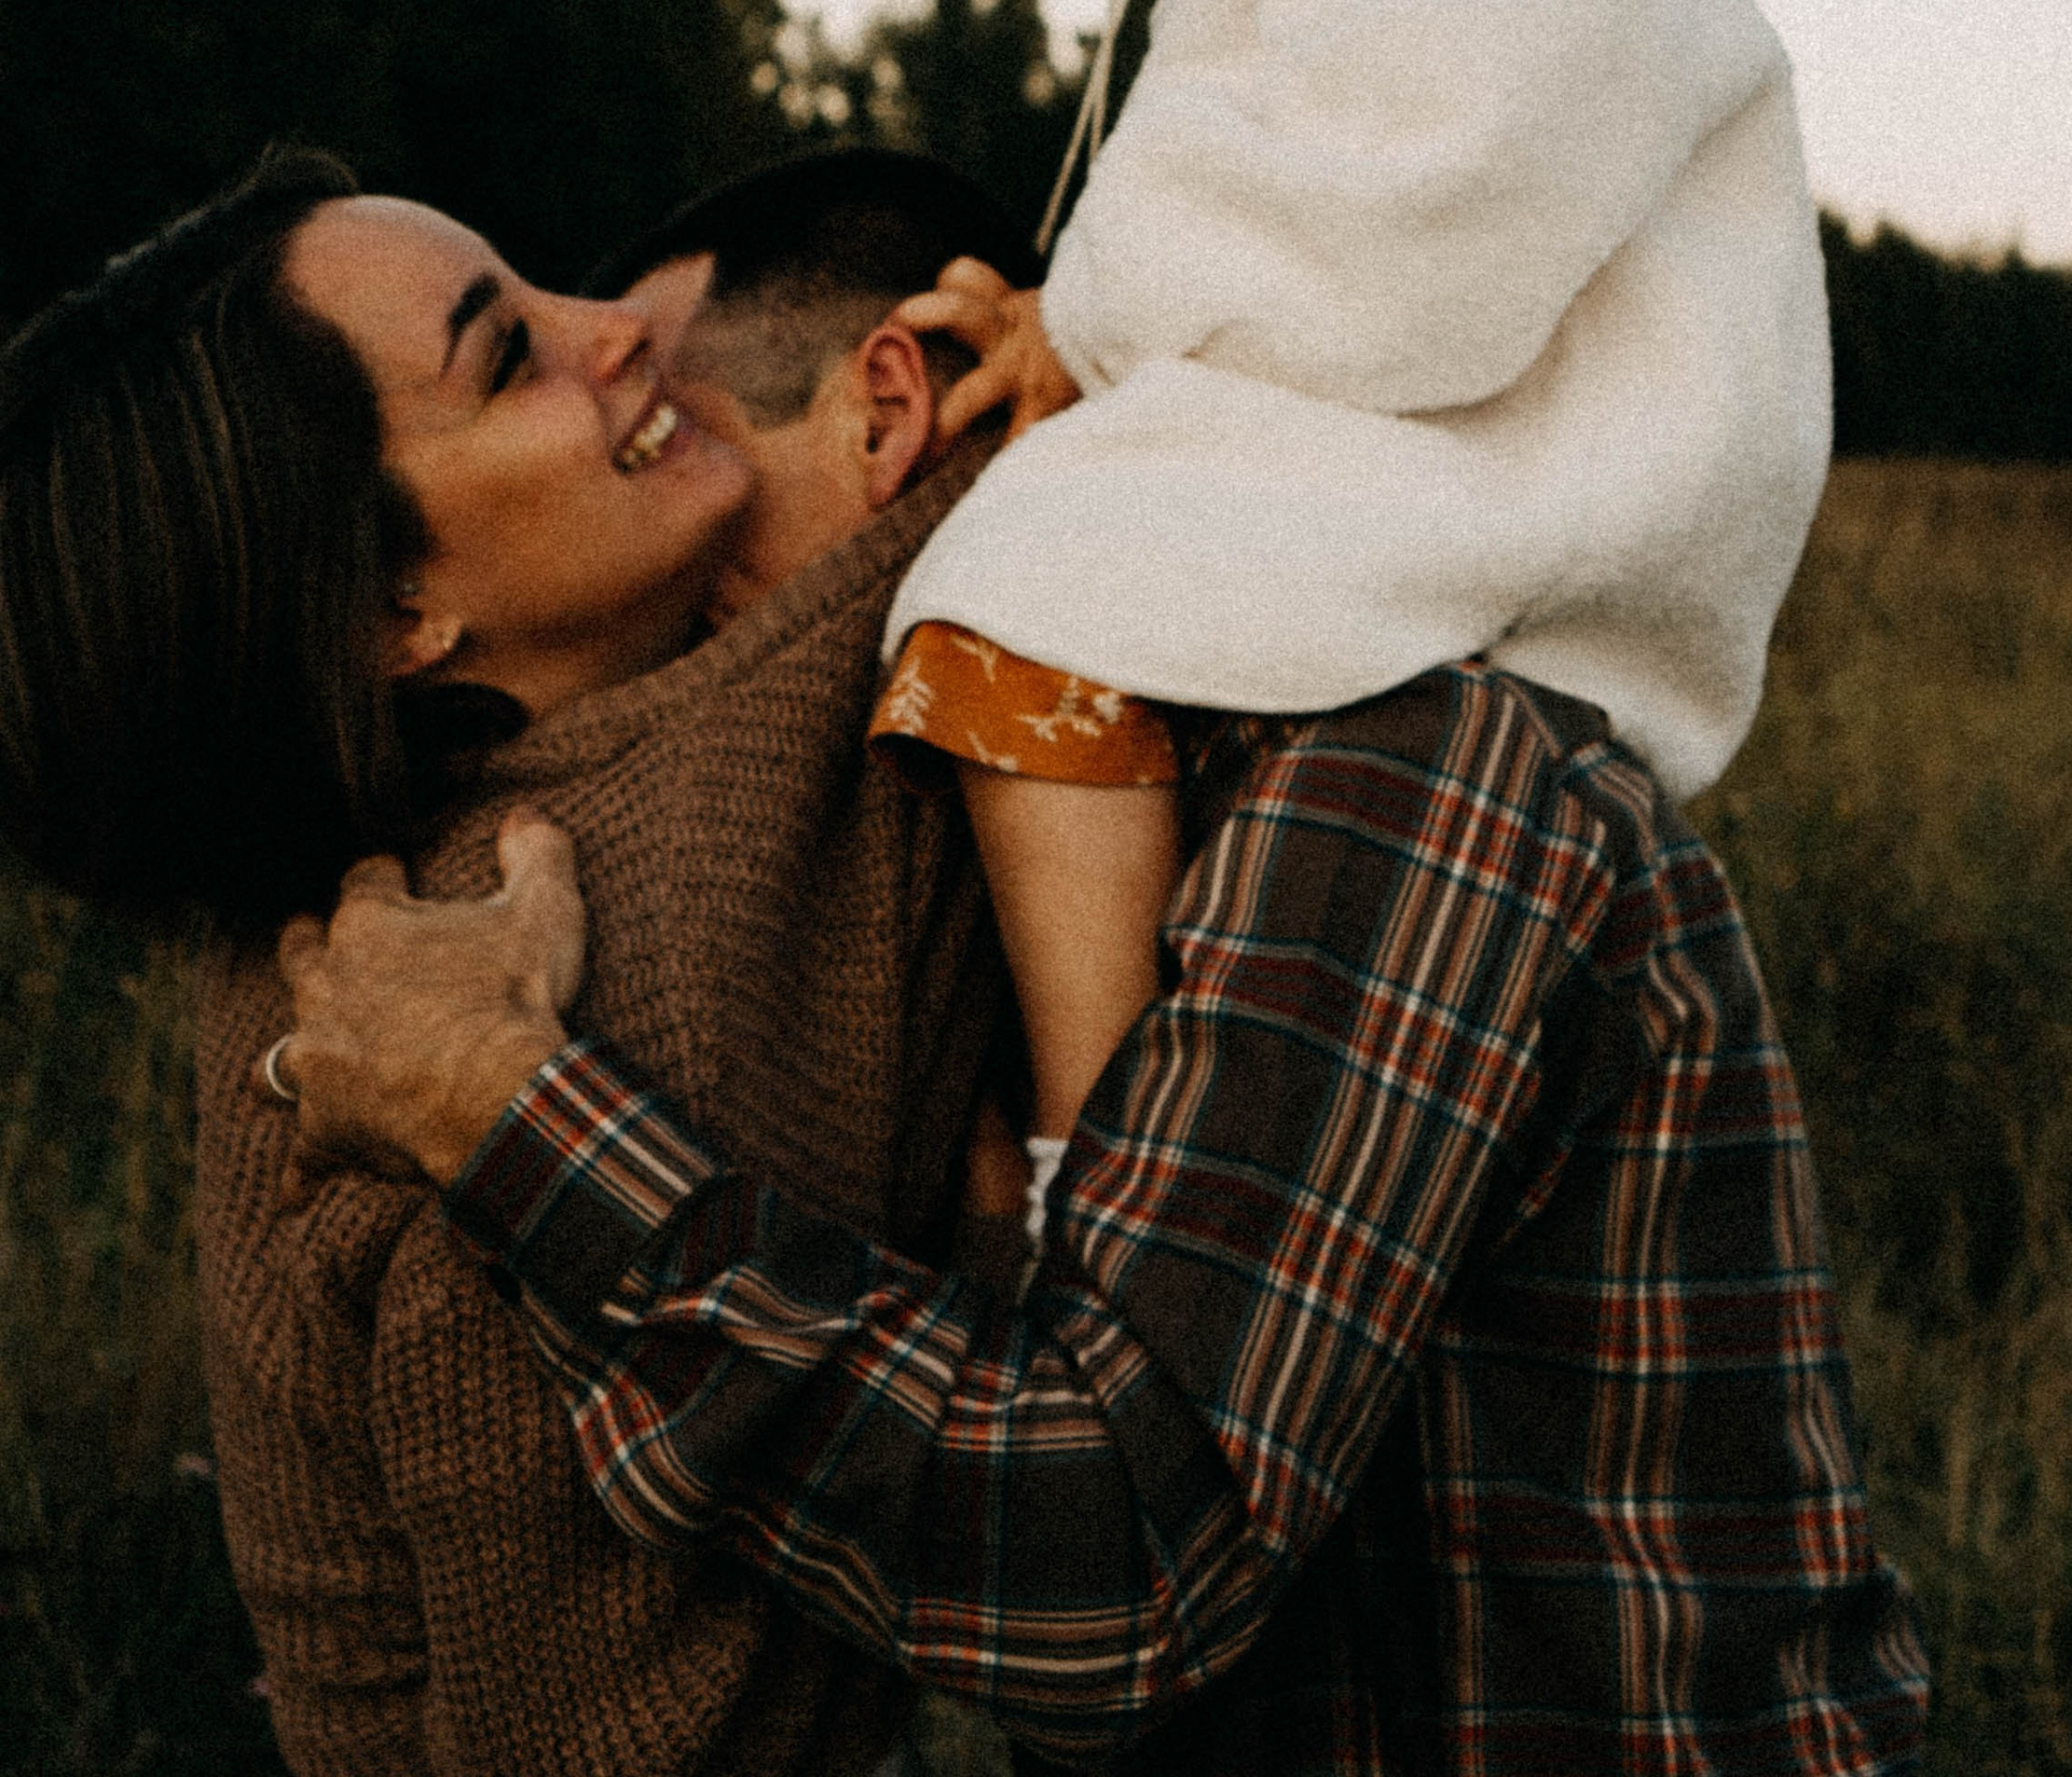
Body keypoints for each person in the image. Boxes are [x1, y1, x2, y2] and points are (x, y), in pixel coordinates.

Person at [269, 656, 1931, 1771]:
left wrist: (491, 1109)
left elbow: (1115, 1559)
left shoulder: (1405, 776)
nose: (618, 369)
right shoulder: (875, 876)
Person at [869, 0, 1836, 1200]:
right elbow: (1298, 193)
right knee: (1045, 532)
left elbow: (1409, 241)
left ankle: (1100, 1160)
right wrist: (1079, 319)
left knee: (1022, 589)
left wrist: (1100, 322)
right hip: (1445, 422)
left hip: (1549, 468)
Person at [0, 144, 1033, 1777]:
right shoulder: (596, 937)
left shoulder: (358, 901)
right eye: (506, 355)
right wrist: (1057, 399)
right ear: (391, 611)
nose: (617, 328)